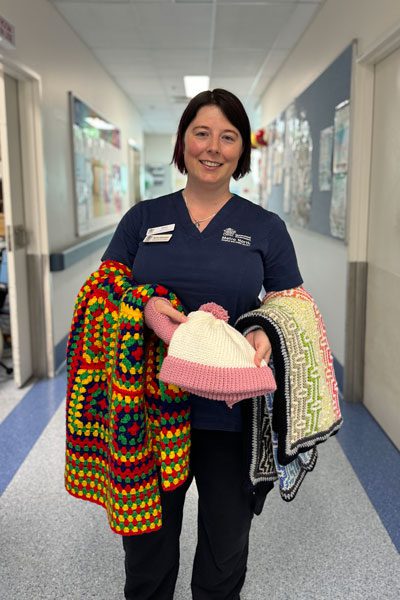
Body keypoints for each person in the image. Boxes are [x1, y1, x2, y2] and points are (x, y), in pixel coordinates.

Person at [101, 88, 303, 600]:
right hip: (149, 411)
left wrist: (264, 327)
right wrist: (142, 304)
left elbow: (291, 305)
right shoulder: (142, 220)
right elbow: (104, 291)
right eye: (202, 132)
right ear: (183, 141)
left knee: (224, 551)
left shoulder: (265, 227)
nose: (213, 147)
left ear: (241, 151)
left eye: (228, 136)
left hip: (231, 417)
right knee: (146, 551)